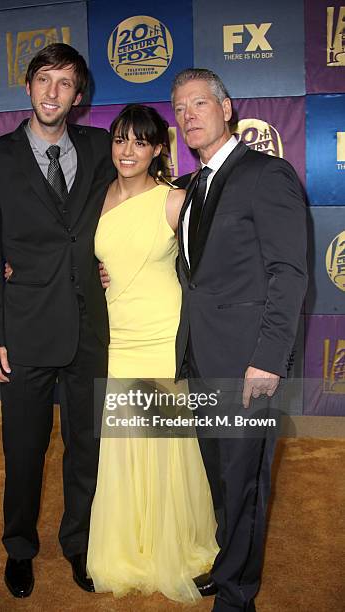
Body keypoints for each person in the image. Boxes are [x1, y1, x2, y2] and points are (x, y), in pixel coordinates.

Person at [0, 43, 115, 598]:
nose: (53, 93)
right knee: (24, 450)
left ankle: (78, 545)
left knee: (87, 445)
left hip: (90, 328)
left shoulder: (103, 147)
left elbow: (134, 207)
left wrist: (112, 265)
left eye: (65, 83)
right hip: (24, 329)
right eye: (44, 80)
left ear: (79, 96)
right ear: (28, 87)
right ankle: (19, 548)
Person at [171, 69, 308, 612]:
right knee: (220, 477)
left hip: (248, 363)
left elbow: (289, 274)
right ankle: (229, 561)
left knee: (244, 482)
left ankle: (236, 596)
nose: (189, 115)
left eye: (200, 102)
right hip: (200, 357)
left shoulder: (266, 174)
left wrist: (268, 360)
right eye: (179, 108)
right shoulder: (190, 186)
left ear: (227, 108)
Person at [87, 103, 219, 602]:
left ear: (158, 149)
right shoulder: (96, 197)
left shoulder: (174, 201)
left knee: (164, 446)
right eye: (121, 139)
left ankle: (173, 545)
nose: (128, 150)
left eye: (140, 142)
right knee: (124, 444)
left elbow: (207, 267)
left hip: (162, 336)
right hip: (118, 337)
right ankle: (133, 544)